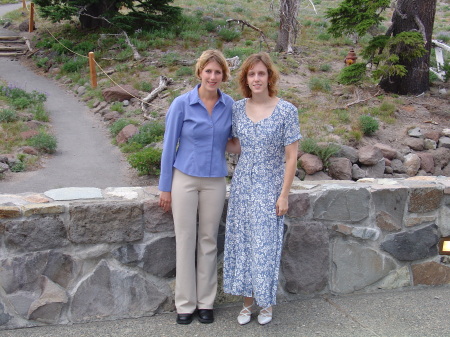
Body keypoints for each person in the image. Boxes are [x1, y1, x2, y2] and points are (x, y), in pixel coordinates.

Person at [223, 52, 301, 325]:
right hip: (243, 186)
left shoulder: (286, 111)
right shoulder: (237, 108)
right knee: (243, 244)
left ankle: (266, 304)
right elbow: (238, 145)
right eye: (251, 74)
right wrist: (208, 138)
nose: (256, 78)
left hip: (270, 187)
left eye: (261, 73)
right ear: (246, 79)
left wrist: (284, 195)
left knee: (265, 246)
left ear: (269, 77)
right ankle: (246, 303)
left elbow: (291, 156)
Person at [158, 49, 234, 325]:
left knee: (208, 241)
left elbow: (235, 140)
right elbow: (168, 148)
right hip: (185, 179)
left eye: (218, 72)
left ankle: (206, 303)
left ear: (223, 75)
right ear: (200, 72)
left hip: (215, 180)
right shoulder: (181, 104)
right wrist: (164, 187)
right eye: (208, 71)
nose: (213, 76)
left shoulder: (230, 105)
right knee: (186, 239)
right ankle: (185, 305)